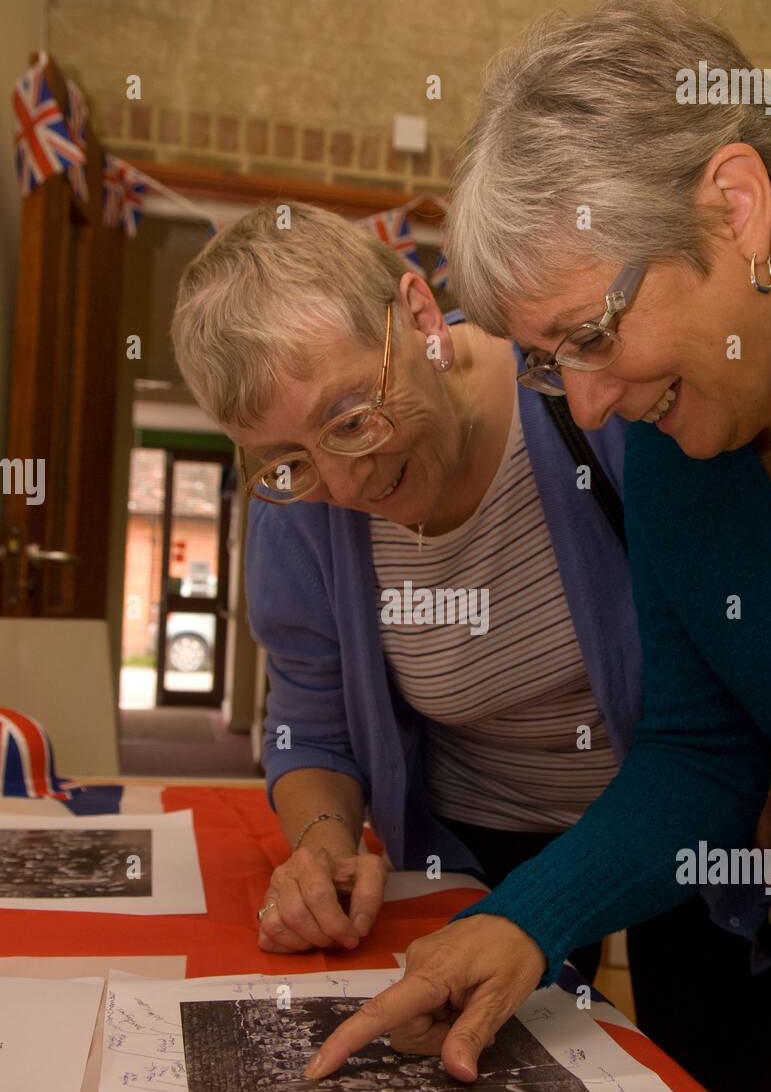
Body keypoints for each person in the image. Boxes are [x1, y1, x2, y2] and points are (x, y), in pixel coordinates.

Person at [304, 0, 771, 1092]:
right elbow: (698, 757)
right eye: (552, 362)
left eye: (594, 336)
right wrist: (519, 923)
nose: (594, 406)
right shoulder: (680, 436)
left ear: (737, 207)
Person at [170, 201, 648, 977]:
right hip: (475, 842)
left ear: (421, 316)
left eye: (352, 418)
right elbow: (310, 726)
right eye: (288, 459)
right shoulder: (294, 508)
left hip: (676, 810)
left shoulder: (582, 397)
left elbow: (724, 637)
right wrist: (323, 846)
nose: (345, 482)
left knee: (711, 1083)